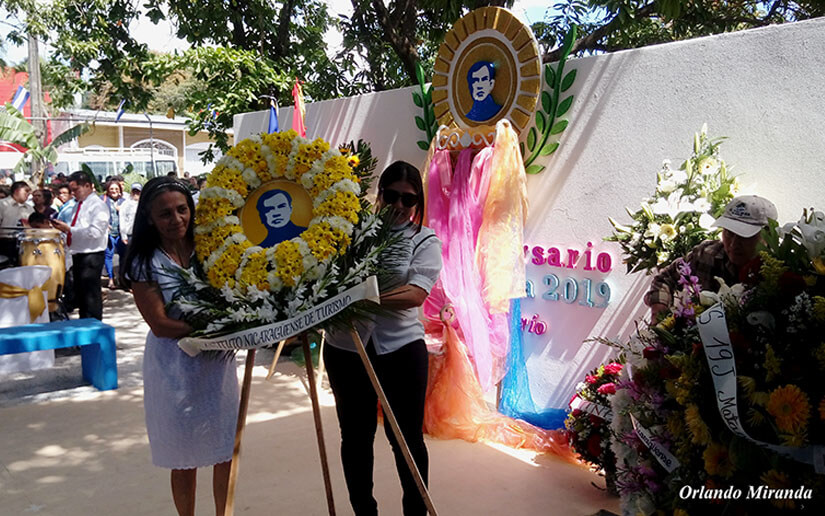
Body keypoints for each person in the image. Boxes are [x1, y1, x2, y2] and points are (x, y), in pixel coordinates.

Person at [325, 161, 442, 516]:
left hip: (402, 350)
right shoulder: (352, 232)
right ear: (379, 194)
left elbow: (415, 294)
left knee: (406, 439)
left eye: (408, 199)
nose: (398, 205)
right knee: (355, 437)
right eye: (391, 196)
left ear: (418, 200)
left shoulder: (425, 240)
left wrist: (359, 298)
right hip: (346, 348)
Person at [119, 177, 239, 516]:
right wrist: (217, 329)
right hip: (174, 369)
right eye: (165, 214)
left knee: (225, 449)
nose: (177, 219)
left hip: (217, 366)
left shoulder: (210, 248)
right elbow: (159, 324)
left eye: (182, 209)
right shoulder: (145, 261)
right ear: (149, 218)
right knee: (185, 457)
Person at [645, 195, 778, 318]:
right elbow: (665, 278)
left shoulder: (780, 271)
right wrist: (659, 312)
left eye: (744, 236)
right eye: (729, 233)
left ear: (768, 235)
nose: (734, 244)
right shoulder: (707, 254)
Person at [51, 171, 109, 321]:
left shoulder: (98, 206)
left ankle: (93, 326)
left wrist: (69, 229)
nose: (73, 193)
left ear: (88, 186)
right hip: (77, 254)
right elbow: (76, 228)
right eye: (71, 190)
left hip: (91, 255)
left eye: (76, 189)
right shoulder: (78, 205)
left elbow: (95, 232)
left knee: (91, 297)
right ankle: (85, 325)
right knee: (82, 297)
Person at [0, 181, 33, 263]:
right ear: (17, 191)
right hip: (5, 242)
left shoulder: (30, 208)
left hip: (25, 244)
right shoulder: (2, 205)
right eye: (26, 191)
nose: (28, 194)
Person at [103, 180, 125, 289]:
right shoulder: (103, 200)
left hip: (121, 233)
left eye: (116, 189)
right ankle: (111, 279)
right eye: (111, 189)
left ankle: (121, 279)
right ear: (108, 190)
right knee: (108, 255)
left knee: (123, 256)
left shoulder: (124, 201)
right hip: (109, 233)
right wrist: (105, 224)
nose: (114, 191)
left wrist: (121, 210)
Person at [119, 182, 142, 248]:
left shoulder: (145, 203)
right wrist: (123, 235)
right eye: (134, 191)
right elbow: (122, 219)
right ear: (131, 192)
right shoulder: (125, 204)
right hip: (130, 235)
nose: (135, 193)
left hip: (142, 235)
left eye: (138, 191)